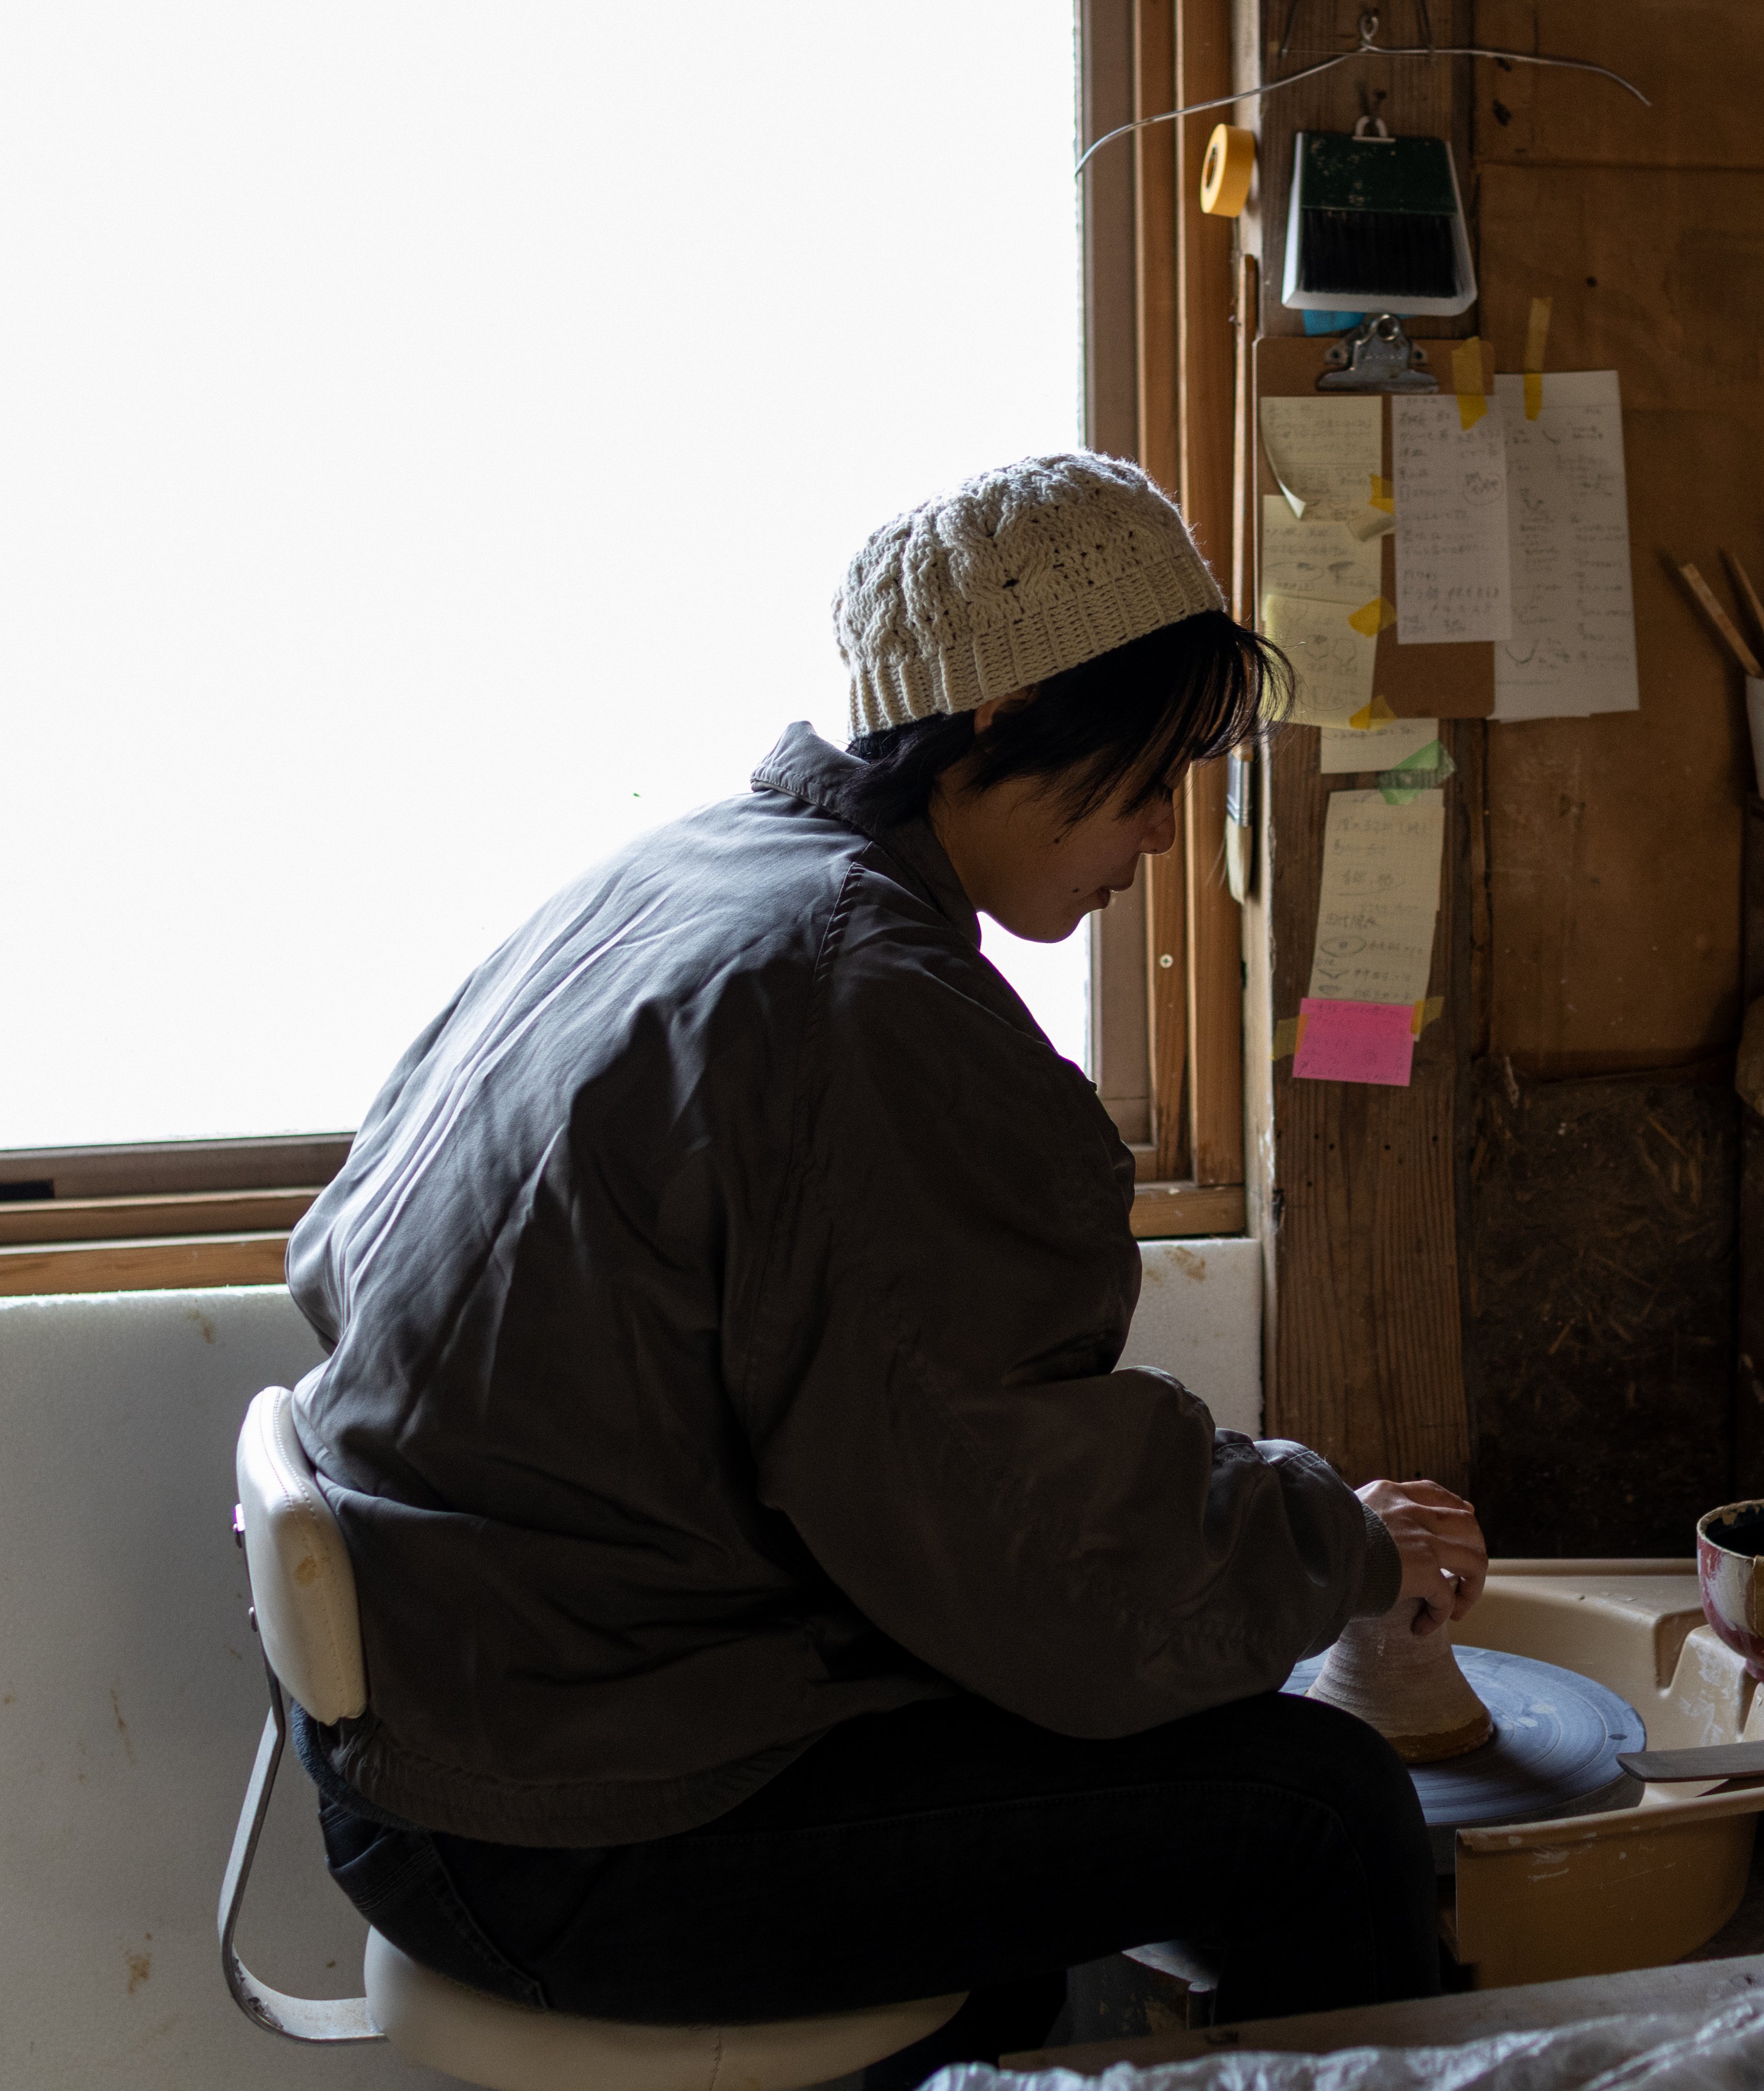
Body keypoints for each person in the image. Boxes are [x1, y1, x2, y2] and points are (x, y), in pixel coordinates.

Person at [283, 452, 1489, 2080]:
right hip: (559, 1822)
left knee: (1021, 1843)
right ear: (998, 714)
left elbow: (331, 1252)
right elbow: (1029, 1547)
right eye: (1145, 768)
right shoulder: (865, 1002)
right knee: (1315, 1809)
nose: (1158, 826)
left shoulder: (689, 873)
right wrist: (1329, 1540)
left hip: (432, 1730)